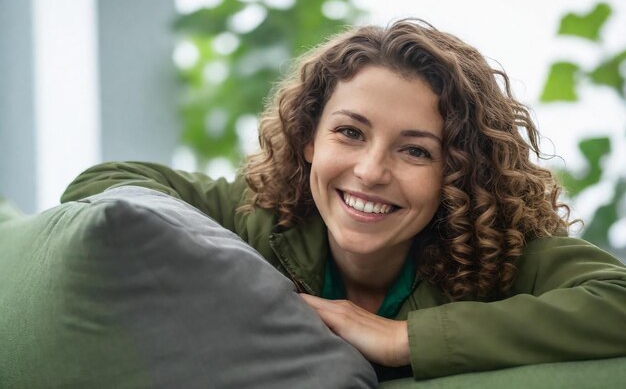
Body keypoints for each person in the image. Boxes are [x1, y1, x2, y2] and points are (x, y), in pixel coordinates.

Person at [61, 19, 626, 381]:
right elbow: (107, 183)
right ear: (309, 137)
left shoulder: (499, 251)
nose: (371, 171)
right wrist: (231, 285)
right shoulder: (255, 215)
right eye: (349, 133)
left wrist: (405, 339)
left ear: (457, 172)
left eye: (415, 151)